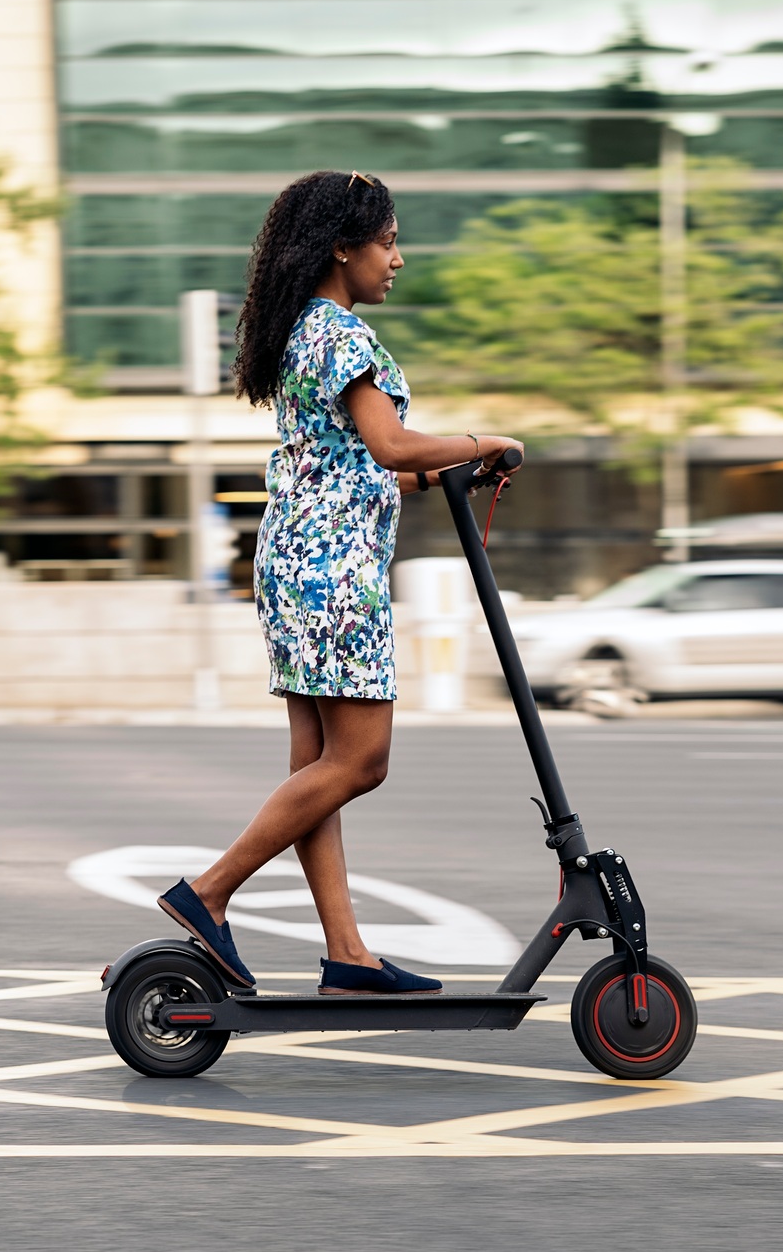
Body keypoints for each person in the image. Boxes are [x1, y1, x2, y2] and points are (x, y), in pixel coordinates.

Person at [156, 170, 523, 994]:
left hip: (292, 565)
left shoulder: (299, 334)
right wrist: (485, 439)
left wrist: (444, 475)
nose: (398, 258)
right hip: (333, 579)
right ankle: (209, 893)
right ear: (343, 248)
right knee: (360, 762)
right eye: (388, 241)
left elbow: (362, 470)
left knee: (314, 769)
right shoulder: (345, 338)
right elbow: (392, 446)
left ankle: (348, 954)